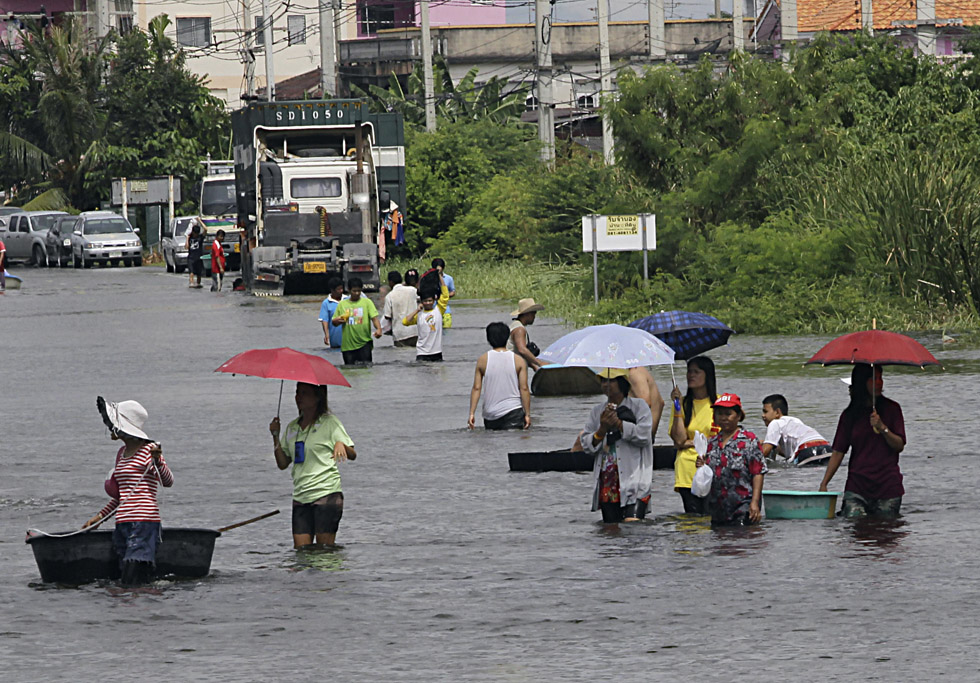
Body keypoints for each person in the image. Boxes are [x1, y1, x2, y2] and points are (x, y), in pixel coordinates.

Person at [83, 398, 174, 585]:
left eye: (112, 424)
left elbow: (168, 481)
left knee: (133, 575)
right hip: (123, 523)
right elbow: (121, 497)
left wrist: (158, 461)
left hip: (144, 522)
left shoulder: (149, 450)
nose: (109, 427)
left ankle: (145, 601)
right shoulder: (121, 454)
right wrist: (99, 517)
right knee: (126, 576)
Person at [269, 382, 357, 547]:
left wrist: (341, 444)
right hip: (301, 496)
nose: (298, 397)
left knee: (325, 553)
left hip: (326, 493)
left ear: (317, 398)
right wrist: (275, 436)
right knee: (301, 552)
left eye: (304, 393)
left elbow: (352, 454)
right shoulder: (292, 427)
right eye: (297, 393)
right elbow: (282, 463)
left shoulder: (329, 422)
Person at [819, 364, 906, 518]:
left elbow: (899, 445)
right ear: (861, 382)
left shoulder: (892, 409)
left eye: (880, 378)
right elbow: (838, 452)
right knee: (853, 524)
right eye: (873, 379)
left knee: (885, 528)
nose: (879, 383)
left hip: (887, 487)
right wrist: (824, 483)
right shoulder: (850, 414)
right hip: (857, 485)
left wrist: (882, 427)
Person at [581, 374, 654, 523]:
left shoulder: (639, 407)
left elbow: (645, 436)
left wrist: (620, 424)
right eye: (603, 381)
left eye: (611, 380)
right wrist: (602, 429)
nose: (606, 384)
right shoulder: (597, 411)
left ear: (622, 383)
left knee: (633, 526)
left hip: (635, 479)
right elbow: (587, 445)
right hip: (608, 479)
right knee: (611, 528)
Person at [696, 393, 767, 526]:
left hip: (743, 505)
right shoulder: (712, 443)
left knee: (744, 536)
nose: (724, 418)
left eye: (728, 414)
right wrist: (701, 465)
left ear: (738, 416)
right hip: (718, 508)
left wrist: (754, 502)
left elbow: (758, 472)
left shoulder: (749, 440)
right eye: (720, 414)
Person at [668, 356, 720, 514]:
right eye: (689, 371)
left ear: (707, 375)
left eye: (696, 372)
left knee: (712, 516)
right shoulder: (683, 403)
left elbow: (722, 437)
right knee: (692, 519)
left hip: (712, 466)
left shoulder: (719, 403)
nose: (691, 375)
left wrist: (691, 442)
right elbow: (679, 441)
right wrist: (677, 407)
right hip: (687, 469)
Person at [468, 322, 531, 430]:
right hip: (514, 411)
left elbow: (476, 388)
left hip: (491, 414)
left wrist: (471, 413)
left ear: (488, 339)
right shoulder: (518, 360)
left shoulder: (482, 360)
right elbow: (524, 388)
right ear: (507, 337)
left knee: (493, 440)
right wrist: (527, 414)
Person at [760, 394, 832, 466]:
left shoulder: (775, 423)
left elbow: (765, 452)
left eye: (765, 412)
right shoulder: (796, 421)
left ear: (777, 412)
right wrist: (772, 446)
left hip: (807, 449)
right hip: (827, 447)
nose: (763, 415)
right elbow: (791, 452)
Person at [331, 277, 383, 364]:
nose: (357, 293)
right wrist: (337, 320)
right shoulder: (342, 304)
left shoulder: (367, 302)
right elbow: (334, 322)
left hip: (364, 343)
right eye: (354, 291)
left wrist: (379, 329)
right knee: (349, 369)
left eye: (359, 291)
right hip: (348, 346)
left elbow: (374, 318)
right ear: (349, 290)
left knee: (367, 368)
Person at [402, 273, 449, 361]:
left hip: (436, 352)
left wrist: (439, 275)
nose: (428, 303)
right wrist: (417, 310)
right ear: (422, 302)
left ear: (434, 300)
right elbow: (405, 322)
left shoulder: (439, 310)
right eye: (425, 301)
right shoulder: (419, 315)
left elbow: (445, 295)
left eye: (430, 301)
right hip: (422, 353)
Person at [383, 268, 419, 347]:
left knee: (400, 353)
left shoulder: (389, 296)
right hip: (414, 331)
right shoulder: (412, 290)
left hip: (399, 334)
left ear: (390, 282)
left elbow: (387, 316)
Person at [507, 298, 544, 371]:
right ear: (527, 314)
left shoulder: (515, 325)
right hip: (512, 369)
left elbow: (520, 353)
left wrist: (534, 366)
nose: (534, 317)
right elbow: (522, 350)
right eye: (533, 313)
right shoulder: (519, 329)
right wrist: (539, 363)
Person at [318, 278, 347, 349]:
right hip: (335, 339)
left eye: (342, 289)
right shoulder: (326, 303)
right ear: (332, 290)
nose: (341, 291)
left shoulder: (347, 300)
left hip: (349, 340)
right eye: (338, 289)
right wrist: (326, 334)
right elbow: (325, 320)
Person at [432, 258, 456, 329]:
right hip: (433, 309)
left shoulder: (449, 278)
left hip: (446, 309)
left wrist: (444, 296)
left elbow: (453, 291)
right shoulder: (430, 278)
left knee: (447, 329)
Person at [185, 222, 205, 288]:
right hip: (191, 258)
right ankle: (191, 283)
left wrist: (200, 221)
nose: (196, 234)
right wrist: (187, 239)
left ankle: (198, 283)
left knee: (199, 273)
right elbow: (186, 247)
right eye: (195, 233)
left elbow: (206, 229)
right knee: (191, 272)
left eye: (197, 233)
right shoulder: (190, 238)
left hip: (199, 258)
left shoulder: (200, 237)